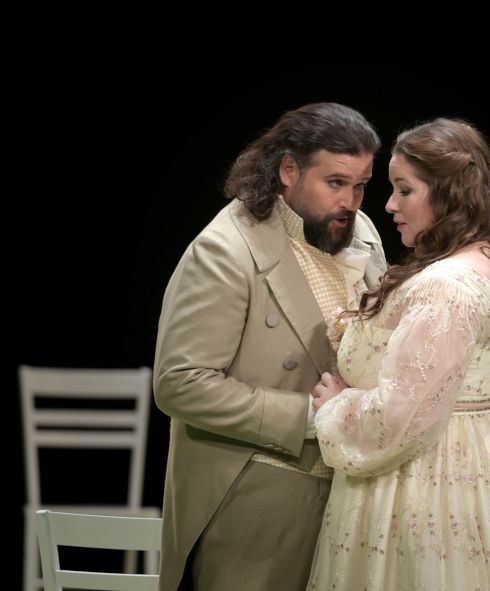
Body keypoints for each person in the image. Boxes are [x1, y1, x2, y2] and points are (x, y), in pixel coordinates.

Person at [308, 118, 490, 589]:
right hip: (482, 471)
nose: (390, 204)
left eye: (405, 190)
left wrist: (336, 409)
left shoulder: (446, 288)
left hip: (429, 483)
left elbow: (403, 417)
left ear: (450, 194)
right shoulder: (484, 258)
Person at [153, 102, 387, 591]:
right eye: (336, 182)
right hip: (257, 494)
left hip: (349, 492)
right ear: (287, 171)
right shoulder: (225, 250)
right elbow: (179, 385)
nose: (351, 201)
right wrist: (310, 416)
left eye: (361, 185)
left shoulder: (360, 233)